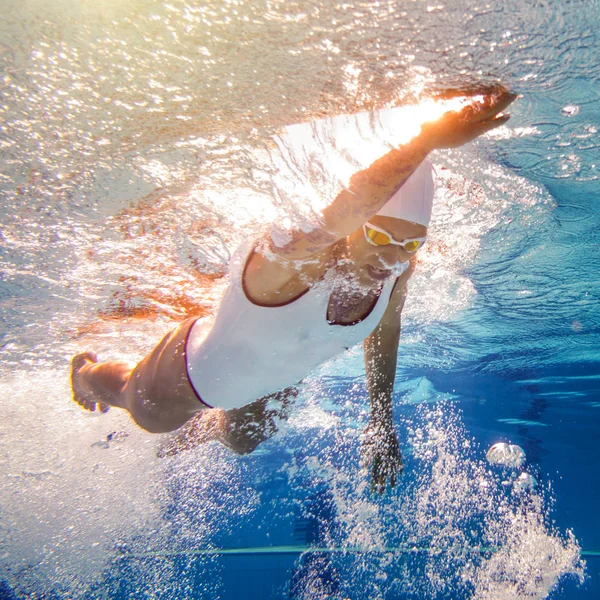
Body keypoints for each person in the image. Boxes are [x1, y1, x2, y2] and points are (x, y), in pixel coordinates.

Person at [71, 88, 516, 492]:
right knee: (146, 408)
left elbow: (385, 327)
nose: (392, 257)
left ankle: (200, 429)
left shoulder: (397, 269)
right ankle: (85, 375)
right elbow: (343, 211)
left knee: (245, 440)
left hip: (267, 376)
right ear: (353, 230)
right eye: (380, 238)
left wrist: (381, 421)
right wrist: (425, 142)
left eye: (410, 243)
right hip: (190, 377)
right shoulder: (290, 263)